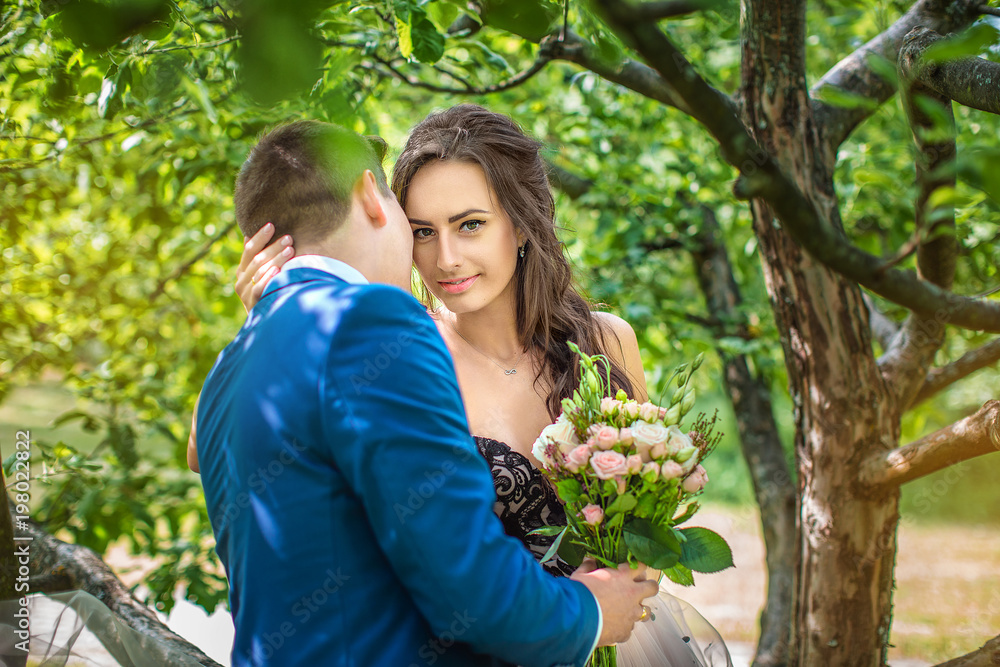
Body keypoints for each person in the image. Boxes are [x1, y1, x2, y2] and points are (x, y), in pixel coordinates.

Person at [234, 105, 733, 666]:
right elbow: (230, 450)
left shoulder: (607, 342)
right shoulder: (397, 357)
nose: (445, 259)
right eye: (423, 232)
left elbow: (646, 520)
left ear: (520, 223)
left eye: (470, 224)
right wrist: (270, 325)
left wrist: (627, 579)